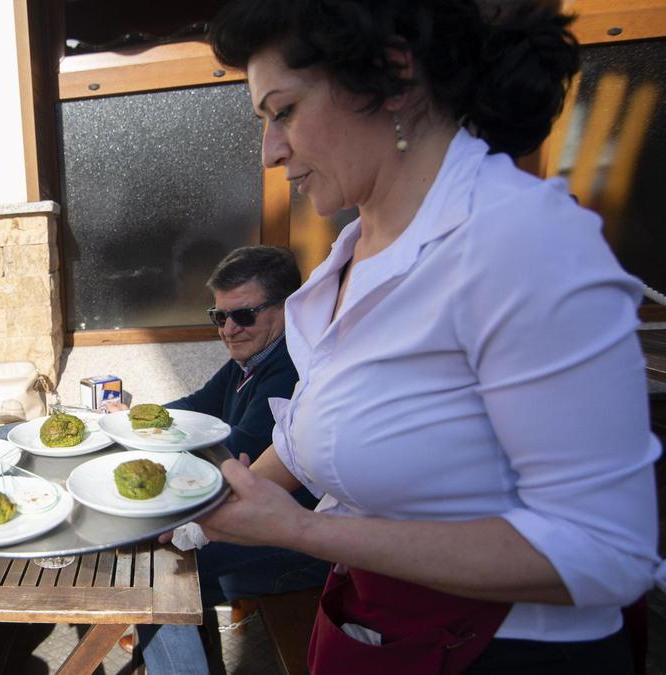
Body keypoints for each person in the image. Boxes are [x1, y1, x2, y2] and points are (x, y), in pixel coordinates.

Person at [187, 1, 664, 673]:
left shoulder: (519, 241)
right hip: (377, 631)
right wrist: (176, 510)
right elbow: (303, 441)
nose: (271, 151)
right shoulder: (351, 253)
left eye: (283, 110)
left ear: (393, 75)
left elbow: (606, 551)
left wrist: (301, 528)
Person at [130, 246, 329, 671]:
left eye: (244, 315)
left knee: (155, 577)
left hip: (301, 546)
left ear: (287, 307)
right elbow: (194, 405)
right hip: (252, 519)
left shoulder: (290, 368)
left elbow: (234, 454)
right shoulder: (251, 359)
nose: (229, 329)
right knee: (155, 558)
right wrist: (130, 425)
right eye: (219, 317)